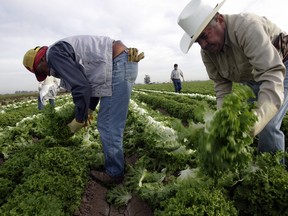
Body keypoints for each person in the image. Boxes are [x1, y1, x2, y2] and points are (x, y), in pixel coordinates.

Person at [23, 35, 144, 184]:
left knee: (108, 124)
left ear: (41, 59)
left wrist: (79, 119)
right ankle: (115, 167)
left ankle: (114, 173)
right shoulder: (61, 51)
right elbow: (92, 83)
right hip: (120, 63)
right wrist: (89, 109)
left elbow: (82, 87)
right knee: (109, 123)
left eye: (40, 70)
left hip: (118, 64)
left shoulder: (53, 54)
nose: (46, 74)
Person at [177, 0, 288, 154]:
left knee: (266, 123)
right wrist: (222, 121)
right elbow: (222, 87)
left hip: (280, 66)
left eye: (204, 36)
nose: (203, 45)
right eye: (198, 41)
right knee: (241, 118)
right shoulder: (207, 52)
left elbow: (271, 74)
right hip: (253, 76)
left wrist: (258, 120)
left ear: (220, 20)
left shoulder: (247, 27)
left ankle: (271, 170)